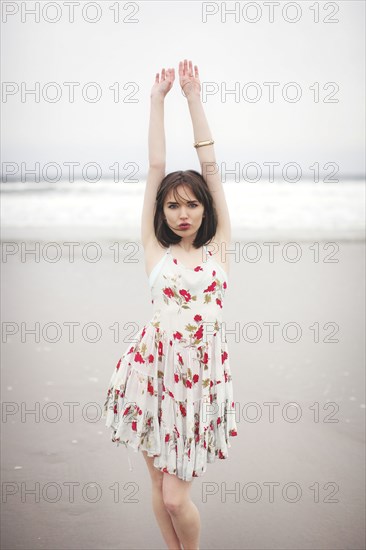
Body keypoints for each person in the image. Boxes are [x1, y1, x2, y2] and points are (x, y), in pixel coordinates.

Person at [103, 59, 238, 550]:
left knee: (178, 497)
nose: (183, 213)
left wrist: (193, 98)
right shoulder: (155, 253)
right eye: (173, 205)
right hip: (151, 372)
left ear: (206, 208)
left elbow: (211, 167)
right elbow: (156, 167)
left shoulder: (218, 248)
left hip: (199, 381)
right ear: (161, 211)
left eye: (193, 204)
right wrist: (156, 101)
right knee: (160, 487)